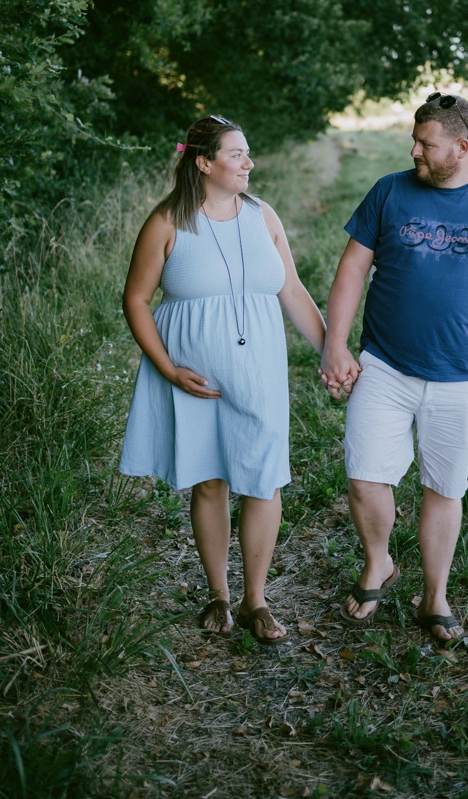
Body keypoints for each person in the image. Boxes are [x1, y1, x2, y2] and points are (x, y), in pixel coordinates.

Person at [319, 92, 468, 643]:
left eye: (426, 143)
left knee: (443, 488)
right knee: (364, 477)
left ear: (461, 146)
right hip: (384, 365)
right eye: (416, 140)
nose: (415, 151)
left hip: (463, 374)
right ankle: (378, 562)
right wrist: (336, 344)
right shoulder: (389, 191)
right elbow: (351, 270)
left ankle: (434, 594)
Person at [120, 115, 326, 644]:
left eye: (248, 153)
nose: (249, 163)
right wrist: (168, 368)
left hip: (257, 370)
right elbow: (136, 300)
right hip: (193, 375)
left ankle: (257, 600)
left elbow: (293, 292)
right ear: (204, 162)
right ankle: (219, 594)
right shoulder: (167, 222)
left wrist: (333, 352)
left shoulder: (263, 216)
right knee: (210, 479)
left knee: (262, 478)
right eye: (237, 154)